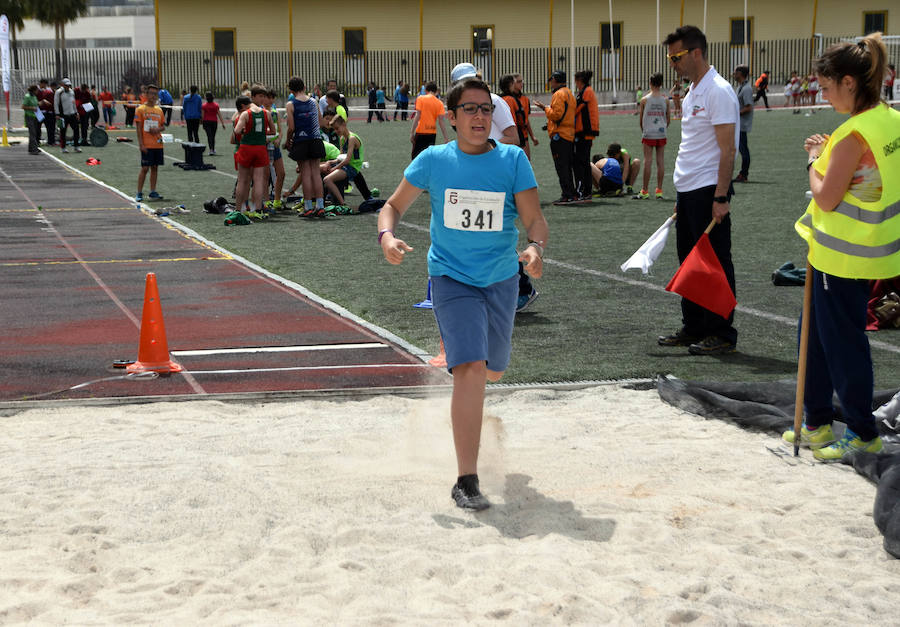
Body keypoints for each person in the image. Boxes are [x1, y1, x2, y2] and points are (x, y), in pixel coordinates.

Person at [377, 78, 548, 511]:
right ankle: (466, 479)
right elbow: (392, 206)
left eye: (486, 109)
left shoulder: (512, 160)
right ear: (450, 119)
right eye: (469, 110)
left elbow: (535, 221)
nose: (479, 117)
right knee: (469, 368)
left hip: (500, 280)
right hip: (451, 278)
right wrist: (387, 236)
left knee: (493, 370)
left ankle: (475, 418)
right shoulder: (434, 160)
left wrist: (534, 248)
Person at [783, 32, 899, 461]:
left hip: (843, 255)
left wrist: (814, 159)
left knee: (842, 343)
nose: (822, 95)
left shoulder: (852, 134)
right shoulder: (889, 118)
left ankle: (861, 431)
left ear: (850, 82)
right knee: (811, 336)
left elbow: (826, 196)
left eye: (827, 87)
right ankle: (816, 422)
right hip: (857, 251)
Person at [658, 25, 739, 355]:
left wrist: (720, 197)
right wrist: (682, 196)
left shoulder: (718, 91)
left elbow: (727, 149)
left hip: (709, 191)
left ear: (696, 53)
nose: (672, 63)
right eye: (669, 57)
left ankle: (721, 332)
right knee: (690, 262)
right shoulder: (693, 91)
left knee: (715, 263)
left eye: (676, 56)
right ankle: (694, 327)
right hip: (690, 191)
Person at [284, 76, 327, 216]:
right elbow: (321, 123)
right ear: (304, 87)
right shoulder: (314, 101)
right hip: (315, 139)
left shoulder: (290, 104)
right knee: (316, 173)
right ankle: (320, 206)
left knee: (306, 174)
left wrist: (287, 141)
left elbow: (291, 127)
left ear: (290, 90)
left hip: (301, 141)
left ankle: (308, 207)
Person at [534, 70, 577, 205]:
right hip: (569, 134)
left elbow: (556, 115)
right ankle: (572, 193)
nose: (550, 82)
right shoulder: (569, 93)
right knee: (568, 166)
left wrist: (544, 108)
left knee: (561, 167)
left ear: (555, 80)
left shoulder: (558, 94)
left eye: (551, 80)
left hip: (560, 136)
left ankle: (567, 195)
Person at [233, 86, 277, 218]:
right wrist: (263, 133)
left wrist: (246, 131)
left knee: (242, 180)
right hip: (260, 148)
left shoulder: (246, 113)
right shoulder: (266, 113)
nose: (263, 99)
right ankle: (257, 210)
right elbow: (273, 131)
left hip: (247, 147)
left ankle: (238, 209)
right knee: (259, 180)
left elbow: (236, 131)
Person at [634, 72, 670, 199]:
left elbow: (641, 119)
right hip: (661, 132)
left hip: (649, 133)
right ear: (661, 84)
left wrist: (644, 130)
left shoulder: (644, 99)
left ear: (650, 83)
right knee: (660, 161)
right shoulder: (665, 100)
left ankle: (645, 191)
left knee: (647, 161)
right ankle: (659, 190)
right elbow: (668, 119)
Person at [322, 115, 363, 209]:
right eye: (334, 129)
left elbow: (347, 159)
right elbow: (340, 158)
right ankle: (325, 200)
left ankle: (342, 204)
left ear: (344, 124)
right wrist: (330, 162)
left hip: (352, 167)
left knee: (327, 180)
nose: (336, 131)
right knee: (324, 171)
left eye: (337, 128)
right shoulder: (342, 139)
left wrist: (334, 168)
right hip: (346, 166)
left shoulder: (352, 138)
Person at [134, 84, 166, 203]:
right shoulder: (140, 109)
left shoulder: (159, 110)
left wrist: (158, 130)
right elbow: (138, 128)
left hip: (157, 143)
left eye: (155, 94)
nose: (153, 96)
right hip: (146, 144)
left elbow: (163, 126)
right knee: (145, 168)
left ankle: (153, 191)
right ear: (146, 94)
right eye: (151, 93)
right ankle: (139, 192)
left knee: (155, 167)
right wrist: (141, 144)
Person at [499, 73, 538, 161]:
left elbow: (526, 120)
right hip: (516, 136)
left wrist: (532, 136)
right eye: (518, 82)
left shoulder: (524, 99)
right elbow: (522, 120)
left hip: (508, 136)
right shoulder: (512, 100)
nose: (522, 84)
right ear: (511, 84)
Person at [573, 70, 599, 201]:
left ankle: (585, 190)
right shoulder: (586, 91)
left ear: (579, 81)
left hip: (585, 131)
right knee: (583, 161)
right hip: (585, 132)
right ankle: (586, 190)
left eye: (576, 81)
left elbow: (577, 109)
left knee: (582, 162)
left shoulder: (586, 92)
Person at [409, 81, 449, 159]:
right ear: (436, 91)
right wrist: (446, 138)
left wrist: (411, 132)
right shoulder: (439, 103)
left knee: (415, 158)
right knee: (428, 158)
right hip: (432, 134)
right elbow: (441, 121)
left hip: (420, 132)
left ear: (426, 90)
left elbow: (417, 116)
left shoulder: (420, 98)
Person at [263, 88, 286, 210]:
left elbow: (280, 131)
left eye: (272, 98)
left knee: (281, 173)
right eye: (268, 97)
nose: (270, 100)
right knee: (266, 175)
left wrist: (278, 139)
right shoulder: (261, 112)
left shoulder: (275, 113)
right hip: (264, 146)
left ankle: (277, 200)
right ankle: (266, 202)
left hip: (275, 147)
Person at [733, 64, 754, 183]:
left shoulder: (746, 89)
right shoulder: (741, 87)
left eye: (735, 72)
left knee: (743, 149)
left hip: (742, 125)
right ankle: (743, 173)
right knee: (741, 149)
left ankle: (744, 174)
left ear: (740, 74)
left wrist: (735, 114)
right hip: (739, 124)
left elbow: (749, 107)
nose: (734, 74)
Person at [54, 78, 80, 153]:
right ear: (62, 85)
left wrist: (76, 112)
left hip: (72, 114)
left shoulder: (72, 92)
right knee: (63, 132)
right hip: (63, 115)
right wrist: (57, 114)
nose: (68, 87)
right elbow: (56, 103)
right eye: (66, 85)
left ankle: (76, 146)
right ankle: (63, 148)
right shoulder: (59, 92)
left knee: (76, 130)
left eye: (69, 85)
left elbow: (73, 103)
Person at [201, 91, 226, 155]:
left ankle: (211, 149)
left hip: (206, 122)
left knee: (209, 136)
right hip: (214, 122)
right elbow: (219, 114)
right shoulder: (216, 105)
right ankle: (213, 149)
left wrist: (201, 122)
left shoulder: (204, 106)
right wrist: (223, 123)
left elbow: (202, 116)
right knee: (213, 136)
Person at [22, 84, 41, 155]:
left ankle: (31, 148)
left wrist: (41, 103)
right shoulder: (27, 96)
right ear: (34, 90)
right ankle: (33, 149)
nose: (38, 92)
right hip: (29, 116)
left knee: (34, 133)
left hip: (35, 116)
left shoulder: (34, 96)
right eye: (37, 90)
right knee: (32, 133)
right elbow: (23, 106)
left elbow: (36, 104)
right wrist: (32, 108)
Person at [37, 79, 56, 145]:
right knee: (38, 127)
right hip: (39, 111)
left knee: (50, 127)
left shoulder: (46, 91)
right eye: (44, 85)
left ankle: (51, 141)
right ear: (42, 84)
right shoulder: (37, 90)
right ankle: (37, 141)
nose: (45, 86)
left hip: (47, 112)